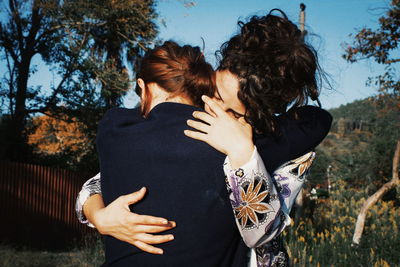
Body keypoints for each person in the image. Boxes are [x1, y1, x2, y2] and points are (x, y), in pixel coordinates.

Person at [76, 10, 332, 267]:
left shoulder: (257, 141)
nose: (215, 110)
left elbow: (317, 121)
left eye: (232, 111)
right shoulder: (181, 124)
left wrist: (242, 149)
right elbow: (102, 179)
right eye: (215, 94)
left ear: (258, 113)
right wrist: (98, 214)